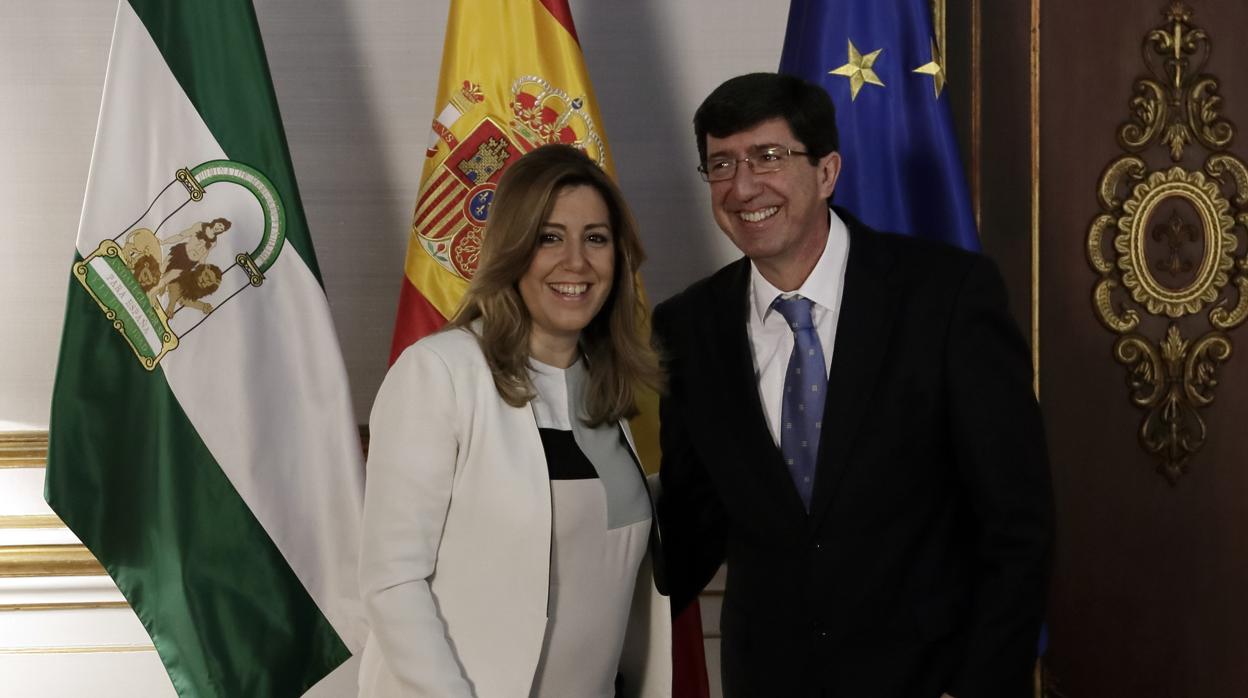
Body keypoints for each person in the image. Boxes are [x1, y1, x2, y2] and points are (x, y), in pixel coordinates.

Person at [652, 72, 1053, 698]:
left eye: (769, 156)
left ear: (827, 172)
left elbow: (1018, 527)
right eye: (721, 164)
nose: (743, 186)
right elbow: (688, 532)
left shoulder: (945, 296)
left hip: (929, 680)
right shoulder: (685, 327)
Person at [358, 144, 671, 697]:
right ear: (512, 249)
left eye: (595, 238)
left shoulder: (609, 386)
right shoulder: (440, 373)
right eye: (549, 237)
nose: (576, 261)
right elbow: (392, 581)